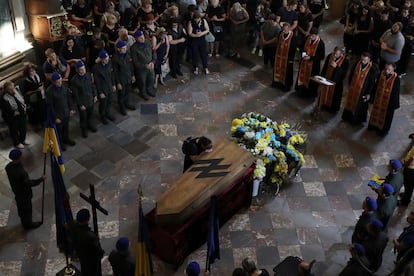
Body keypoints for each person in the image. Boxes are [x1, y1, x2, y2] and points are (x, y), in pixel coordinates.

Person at [5, 149, 45, 230]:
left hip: (17, 191)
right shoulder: (21, 173)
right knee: (27, 210)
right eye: (21, 155)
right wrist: (41, 179)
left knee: (21, 208)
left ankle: (23, 219)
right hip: (24, 194)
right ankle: (28, 224)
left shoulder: (8, 167)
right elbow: (28, 183)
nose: (22, 156)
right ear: (18, 158)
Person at [342, 52, 378, 125]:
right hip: (353, 88)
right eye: (362, 59)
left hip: (363, 91)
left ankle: (355, 120)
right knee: (350, 103)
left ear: (369, 60)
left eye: (365, 60)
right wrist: (349, 84)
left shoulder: (372, 70)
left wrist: (368, 93)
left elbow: (372, 83)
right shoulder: (356, 64)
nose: (363, 61)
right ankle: (347, 117)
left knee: (359, 106)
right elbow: (351, 75)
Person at [68, 209, 105, 276]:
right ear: (87, 219)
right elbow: (99, 251)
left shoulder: (72, 227)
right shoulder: (90, 236)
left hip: (81, 255)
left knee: (84, 270)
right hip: (91, 260)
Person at [45, 72, 76, 151]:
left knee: (66, 127)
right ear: (53, 82)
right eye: (57, 81)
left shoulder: (64, 86)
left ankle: (66, 139)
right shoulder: (49, 92)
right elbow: (50, 106)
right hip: (58, 115)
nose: (59, 82)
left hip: (66, 112)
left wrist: (71, 108)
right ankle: (60, 143)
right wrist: (55, 117)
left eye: (60, 80)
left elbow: (69, 98)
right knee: (59, 131)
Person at [367, 62, 400, 135]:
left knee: (386, 116)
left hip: (388, 101)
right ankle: (373, 126)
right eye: (386, 69)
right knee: (375, 112)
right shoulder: (381, 74)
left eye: (389, 69)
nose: (387, 71)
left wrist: (392, 104)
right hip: (378, 98)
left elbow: (395, 93)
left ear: (393, 70)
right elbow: (376, 86)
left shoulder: (396, 79)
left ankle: (382, 131)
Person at [70, 60, 98, 138]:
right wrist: (80, 104)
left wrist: (95, 95)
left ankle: (90, 125)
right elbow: (76, 95)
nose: (83, 71)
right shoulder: (74, 80)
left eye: (83, 68)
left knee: (90, 114)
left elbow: (93, 86)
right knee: (83, 117)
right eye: (81, 69)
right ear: (77, 70)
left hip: (90, 99)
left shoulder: (89, 75)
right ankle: (84, 129)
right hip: (82, 102)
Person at [295, 27, 325, 97]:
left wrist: (311, 58)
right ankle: (300, 91)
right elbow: (300, 47)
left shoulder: (320, 43)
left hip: (313, 66)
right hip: (304, 63)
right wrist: (302, 53)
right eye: (310, 35)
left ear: (317, 35)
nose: (311, 37)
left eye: (313, 36)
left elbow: (321, 56)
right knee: (302, 77)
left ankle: (309, 95)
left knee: (311, 81)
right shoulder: (306, 39)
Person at [319, 46, 349, 113]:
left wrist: (337, 67)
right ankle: (324, 104)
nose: (335, 55)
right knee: (324, 93)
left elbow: (344, 73)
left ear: (341, 54)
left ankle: (332, 109)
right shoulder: (330, 56)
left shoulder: (345, 61)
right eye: (334, 53)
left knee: (334, 97)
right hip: (327, 78)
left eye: (337, 54)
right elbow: (325, 66)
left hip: (336, 82)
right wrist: (322, 76)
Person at [130, 30, 157, 100]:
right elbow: (135, 62)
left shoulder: (148, 42)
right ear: (136, 38)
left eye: (142, 36)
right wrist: (145, 66)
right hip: (141, 69)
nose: (142, 38)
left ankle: (149, 90)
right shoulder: (133, 48)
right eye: (140, 37)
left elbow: (154, 52)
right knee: (142, 82)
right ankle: (143, 93)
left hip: (150, 66)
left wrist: (153, 62)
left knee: (151, 79)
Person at [112, 40, 136, 115]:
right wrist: (118, 83)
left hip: (128, 77)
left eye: (125, 48)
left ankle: (127, 103)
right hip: (121, 79)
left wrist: (132, 75)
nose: (125, 49)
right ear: (119, 49)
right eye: (123, 48)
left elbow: (131, 66)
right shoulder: (115, 58)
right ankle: (121, 107)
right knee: (121, 94)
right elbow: (115, 72)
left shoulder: (127, 54)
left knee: (128, 92)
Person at [1, 81, 28, 149]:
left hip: (21, 114)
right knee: (14, 130)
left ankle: (23, 140)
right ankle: (17, 143)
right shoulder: (4, 97)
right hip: (12, 117)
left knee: (23, 128)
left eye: (13, 88)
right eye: (11, 89)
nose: (13, 90)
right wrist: (14, 112)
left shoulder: (16, 91)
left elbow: (21, 98)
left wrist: (24, 105)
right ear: (7, 90)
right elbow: (5, 109)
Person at [93, 50, 116, 125]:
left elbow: (112, 75)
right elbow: (97, 81)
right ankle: (102, 116)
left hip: (109, 86)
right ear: (101, 59)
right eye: (105, 59)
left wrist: (113, 84)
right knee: (103, 104)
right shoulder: (96, 68)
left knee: (109, 101)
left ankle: (108, 113)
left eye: (107, 58)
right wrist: (100, 92)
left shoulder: (109, 63)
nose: (107, 60)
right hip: (103, 88)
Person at [272, 22, 296, 91]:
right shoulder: (281, 34)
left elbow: (293, 48)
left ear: (289, 29)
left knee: (287, 72)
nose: (284, 31)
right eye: (283, 29)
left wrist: (291, 59)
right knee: (277, 69)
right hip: (279, 55)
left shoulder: (292, 36)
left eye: (285, 30)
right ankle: (277, 83)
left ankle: (286, 86)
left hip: (287, 58)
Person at [22, 63, 46, 127]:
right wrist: (36, 90)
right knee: (38, 111)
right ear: (28, 73)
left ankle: (45, 120)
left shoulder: (37, 76)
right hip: (34, 98)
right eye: (31, 71)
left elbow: (42, 82)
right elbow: (26, 93)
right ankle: (40, 122)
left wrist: (42, 86)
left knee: (44, 108)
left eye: (34, 70)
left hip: (42, 95)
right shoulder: (26, 81)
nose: (33, 72)